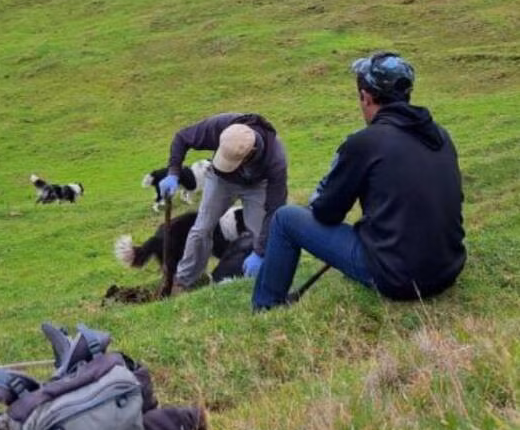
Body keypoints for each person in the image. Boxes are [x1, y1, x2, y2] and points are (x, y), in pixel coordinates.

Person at [251, 51, 466, 311]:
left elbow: (326, 212)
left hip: (398, 279)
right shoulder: (441, 135)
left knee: (285, 219)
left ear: (366, 96)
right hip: (449, 268)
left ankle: (266, 308)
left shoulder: (365, 142)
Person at [158, 114, 288, 294]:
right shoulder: (221, 126)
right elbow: (182, 138)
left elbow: (275, 209)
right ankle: (182, 282)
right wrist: (173, 172)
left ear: (251, 153)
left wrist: (259, 252)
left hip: (258, 185)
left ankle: (266, 281)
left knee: (263, 234)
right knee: (201, 229)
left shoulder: (275, 159)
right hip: (221, 179)